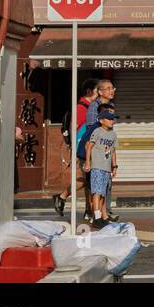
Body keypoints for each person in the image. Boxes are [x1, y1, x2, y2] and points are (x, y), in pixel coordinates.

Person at [54, 78, 98, 218]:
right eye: (98, 91)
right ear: (89, 91)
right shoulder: (81, 107)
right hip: (83, 148)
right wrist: (74, 148)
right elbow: (74, 128)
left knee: (88, 178)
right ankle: (62, 196)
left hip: (86, 147)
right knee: (87, 179)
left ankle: (88, 209)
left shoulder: (90, 106)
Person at [84, 108, 119, 229]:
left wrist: (114, 166)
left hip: (106, 168)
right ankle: (97, 217)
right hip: (97, 166)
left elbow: (113, 152)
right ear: (102, 120)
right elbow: (89, 147)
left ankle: (101, 218)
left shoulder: (113, 134)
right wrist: (88, 163)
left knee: (103, 193)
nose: (112, 121)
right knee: (97, 191)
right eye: (109, 119)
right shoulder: (97, 131)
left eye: (113, 119)